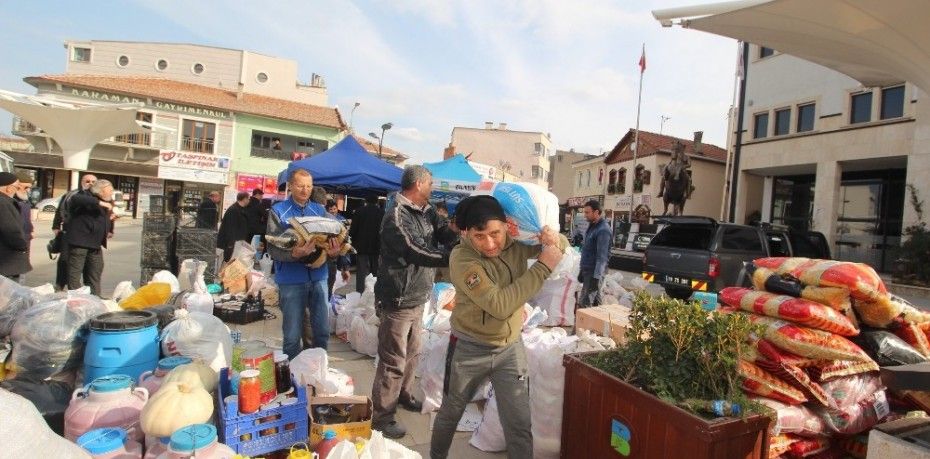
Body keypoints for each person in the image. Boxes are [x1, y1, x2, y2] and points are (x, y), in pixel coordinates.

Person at [430, 195, 566, 459]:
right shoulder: (462, 259)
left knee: (518, 422)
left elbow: (561, 247)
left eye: (496, 233)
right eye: (480, 236)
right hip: (468, 349)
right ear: (468, 233)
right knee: (451, 411)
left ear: (507, 226)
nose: (490, 244)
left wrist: (548, 235)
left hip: (509, 349)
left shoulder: (514, 244)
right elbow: (500, 305)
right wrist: (543, 267)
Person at [371, 165, 452, 439]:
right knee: (393, 359)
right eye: (430, 183)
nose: (433, 188)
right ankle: (382, 416)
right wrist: (451, 258)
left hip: (418, 295)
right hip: (397, 297)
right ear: (418, 184)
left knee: (414, 352)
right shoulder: (395, 215)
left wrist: (460, 235)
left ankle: (403, 395)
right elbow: (414, 249)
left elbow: (442, 233)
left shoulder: (427, 211)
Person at [266, 169, 340, 359]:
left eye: (308, 186)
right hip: (291, 280)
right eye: (300, 185)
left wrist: (333, 253)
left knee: (321, 332)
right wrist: (294, 253)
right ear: (290, 186)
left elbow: (329, 241)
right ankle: (293, 378)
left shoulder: (320, 210)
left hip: (319, 278)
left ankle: (318, 372)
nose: (305, 190)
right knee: (292, 335)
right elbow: (272, 248)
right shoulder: (278, 211)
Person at [66, 179, 115, 296]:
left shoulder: (106, 200)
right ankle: (75, 299)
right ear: (100, 191)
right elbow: (75, 200)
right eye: (110, 191)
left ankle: (95, 298)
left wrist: (109, 227)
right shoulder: (83, 195)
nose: (111, 193)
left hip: (95, 245)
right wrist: (100, 203)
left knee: (95, 272)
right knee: (75, 273)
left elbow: (103, 218)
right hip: (80, 243)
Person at [52, 174, 96, 290]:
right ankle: (60, 284)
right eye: (87, 181)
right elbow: (60, 210)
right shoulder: (72, 195)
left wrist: (110, 228)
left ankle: (86, 288)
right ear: (82, 182)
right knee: (64, 259)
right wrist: (56, 226)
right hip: (70, 231)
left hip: (90, 235)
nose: (90, 183)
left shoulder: (97, 196)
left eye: (93, 182)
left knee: (88, 264)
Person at [578, 199, 612, 307]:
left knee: (585, 303)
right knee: (596, 302)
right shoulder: (592, 226)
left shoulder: (603, 230)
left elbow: (602, 257)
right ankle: (601, 322)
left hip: (594, 272)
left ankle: (583, 323)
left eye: (587, 212)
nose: (585, 215)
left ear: (596, 212)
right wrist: (582, 269)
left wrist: (596, 277)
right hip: (588, 270)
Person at [348, 194, 384, 293]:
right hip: (377, 247)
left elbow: (352, 230)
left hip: (361, 247)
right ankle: (375, 293)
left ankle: (360, 293)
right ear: (377, 202)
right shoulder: (382, 213)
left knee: (361, 272)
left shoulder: (359, 211)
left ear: (366, 201)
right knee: (375, 272)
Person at [0, 172, 30, 282]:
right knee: (10, 296)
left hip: (6, 261)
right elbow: (10, 230)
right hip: (8, 261)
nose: (18, 189)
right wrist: (22, 246)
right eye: (17, 186)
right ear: (8, 188)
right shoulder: (3, 203)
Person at [325, 199, 350, 298]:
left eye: (335, 209)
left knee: (333, 280)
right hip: (327, 256)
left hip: (337, 255)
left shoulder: (342, 220)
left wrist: (346, 267)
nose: (333, 211)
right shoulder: (324, 220)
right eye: (331, 209)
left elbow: (345, 243)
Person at [217, 192, 251, 262]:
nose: (249, 201)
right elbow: (230, 229)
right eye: (248, 199)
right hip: (231, 244)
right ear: (244, 199)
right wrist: (231, 244)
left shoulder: (240, 209)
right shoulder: (233, 210)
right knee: (228, 263)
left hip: (236, 243)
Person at [13, 171, 34, 273]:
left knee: (22, 270)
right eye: (25, 187)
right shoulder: (9, 201)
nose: (28, 190)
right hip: (13, 239)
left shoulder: (25, 200)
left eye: (29, 188)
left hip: (25, 239)